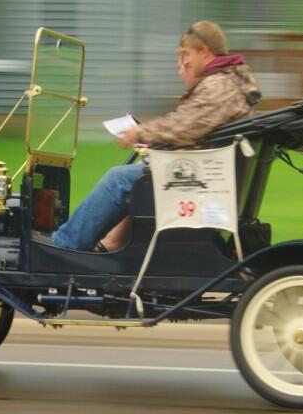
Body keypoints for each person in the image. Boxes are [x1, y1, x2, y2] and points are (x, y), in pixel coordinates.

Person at [49, 20, 261, 252]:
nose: (183, 63)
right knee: (139, 175)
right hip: (206, 178)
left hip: (201, 184)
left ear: (204, 51)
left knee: (118, 179)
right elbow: (193, 126)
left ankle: (62, 247)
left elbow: (184, 125)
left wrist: (140, 132)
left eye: (186, 55)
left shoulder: (219, 86)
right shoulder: (229, 82)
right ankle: (111, 244)